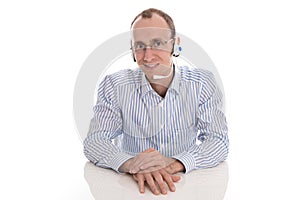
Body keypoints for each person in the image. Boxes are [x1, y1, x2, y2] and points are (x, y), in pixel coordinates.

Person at [83, 8, 229, 195]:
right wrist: (132, 164)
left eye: (157, 43)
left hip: (185, 187)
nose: (148, 56)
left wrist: (174, 164)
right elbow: (95, 141)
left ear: (175, 44)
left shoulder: (202, 84)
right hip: (130, 188)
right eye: (140, 45)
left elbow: (218, 141)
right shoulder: (114, 85)